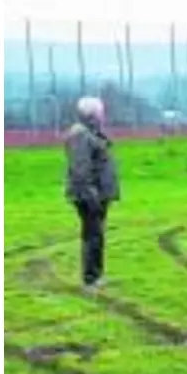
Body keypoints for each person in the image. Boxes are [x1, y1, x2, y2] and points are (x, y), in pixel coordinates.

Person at [64, 96, 121, 290]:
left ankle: (96, 275)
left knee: (97, 235)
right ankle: (90, 279)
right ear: (92, 114)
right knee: (92, 236)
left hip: (97, 194)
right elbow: (81, 169)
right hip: (89, 195)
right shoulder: (81, 135)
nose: (103, 116)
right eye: (100, 112)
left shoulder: (91, 133)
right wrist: (91, 195)